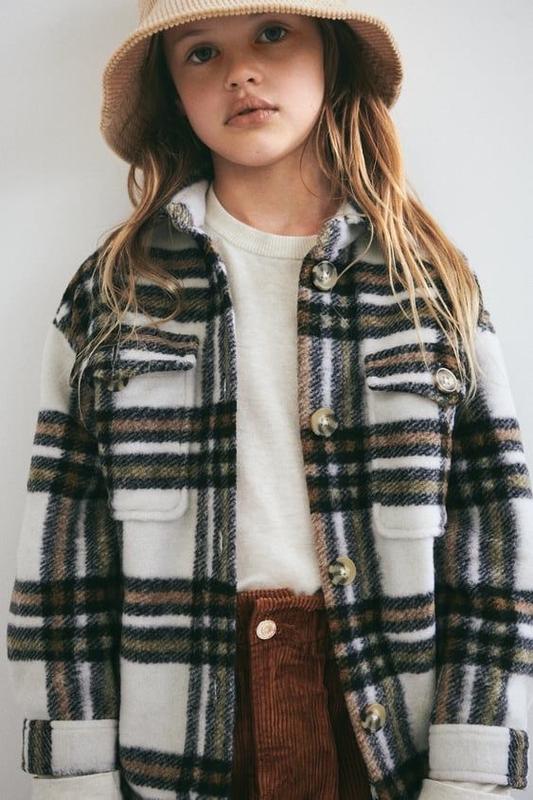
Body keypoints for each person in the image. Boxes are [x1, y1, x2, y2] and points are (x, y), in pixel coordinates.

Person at [5, 1, 533, 799]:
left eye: (273, 34)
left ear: (329, 54)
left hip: (384, 723)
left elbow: (495, 543)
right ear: (171, 90)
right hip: (184, 725)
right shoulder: (117, 291)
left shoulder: (426, 285)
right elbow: (63, 559)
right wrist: (71, 777)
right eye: (200, 52)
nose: (240, 72)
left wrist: (473, 770)